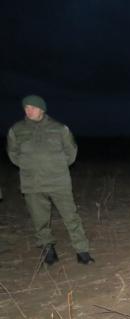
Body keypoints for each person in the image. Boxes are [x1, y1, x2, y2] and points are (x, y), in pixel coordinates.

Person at [6, 95, 94, 265]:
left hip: (59, 182)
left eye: (32, 107)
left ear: (42, 109)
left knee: (71, 217)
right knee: (40, 220)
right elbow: (13, 154)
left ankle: (82, 250)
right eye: (26, 108)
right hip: (32, 183)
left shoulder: (60, 128)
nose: (28, 110)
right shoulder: (16, 130)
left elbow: (71, 152)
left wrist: (56, 167)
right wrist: (29, 166)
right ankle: (48, 250)